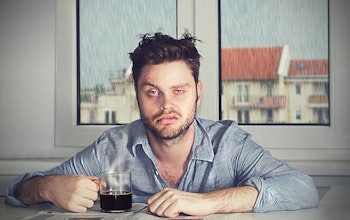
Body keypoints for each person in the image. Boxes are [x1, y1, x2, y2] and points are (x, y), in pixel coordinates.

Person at [6, 32, 319, 218]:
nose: (166, 105)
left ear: (198, 93)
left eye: (179, 91)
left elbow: (303, 189)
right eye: (152, 91)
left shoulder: (230, 143)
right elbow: (18, 189)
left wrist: (208, 202)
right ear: (137, 95)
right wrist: (48, 187)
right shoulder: (112, 147)